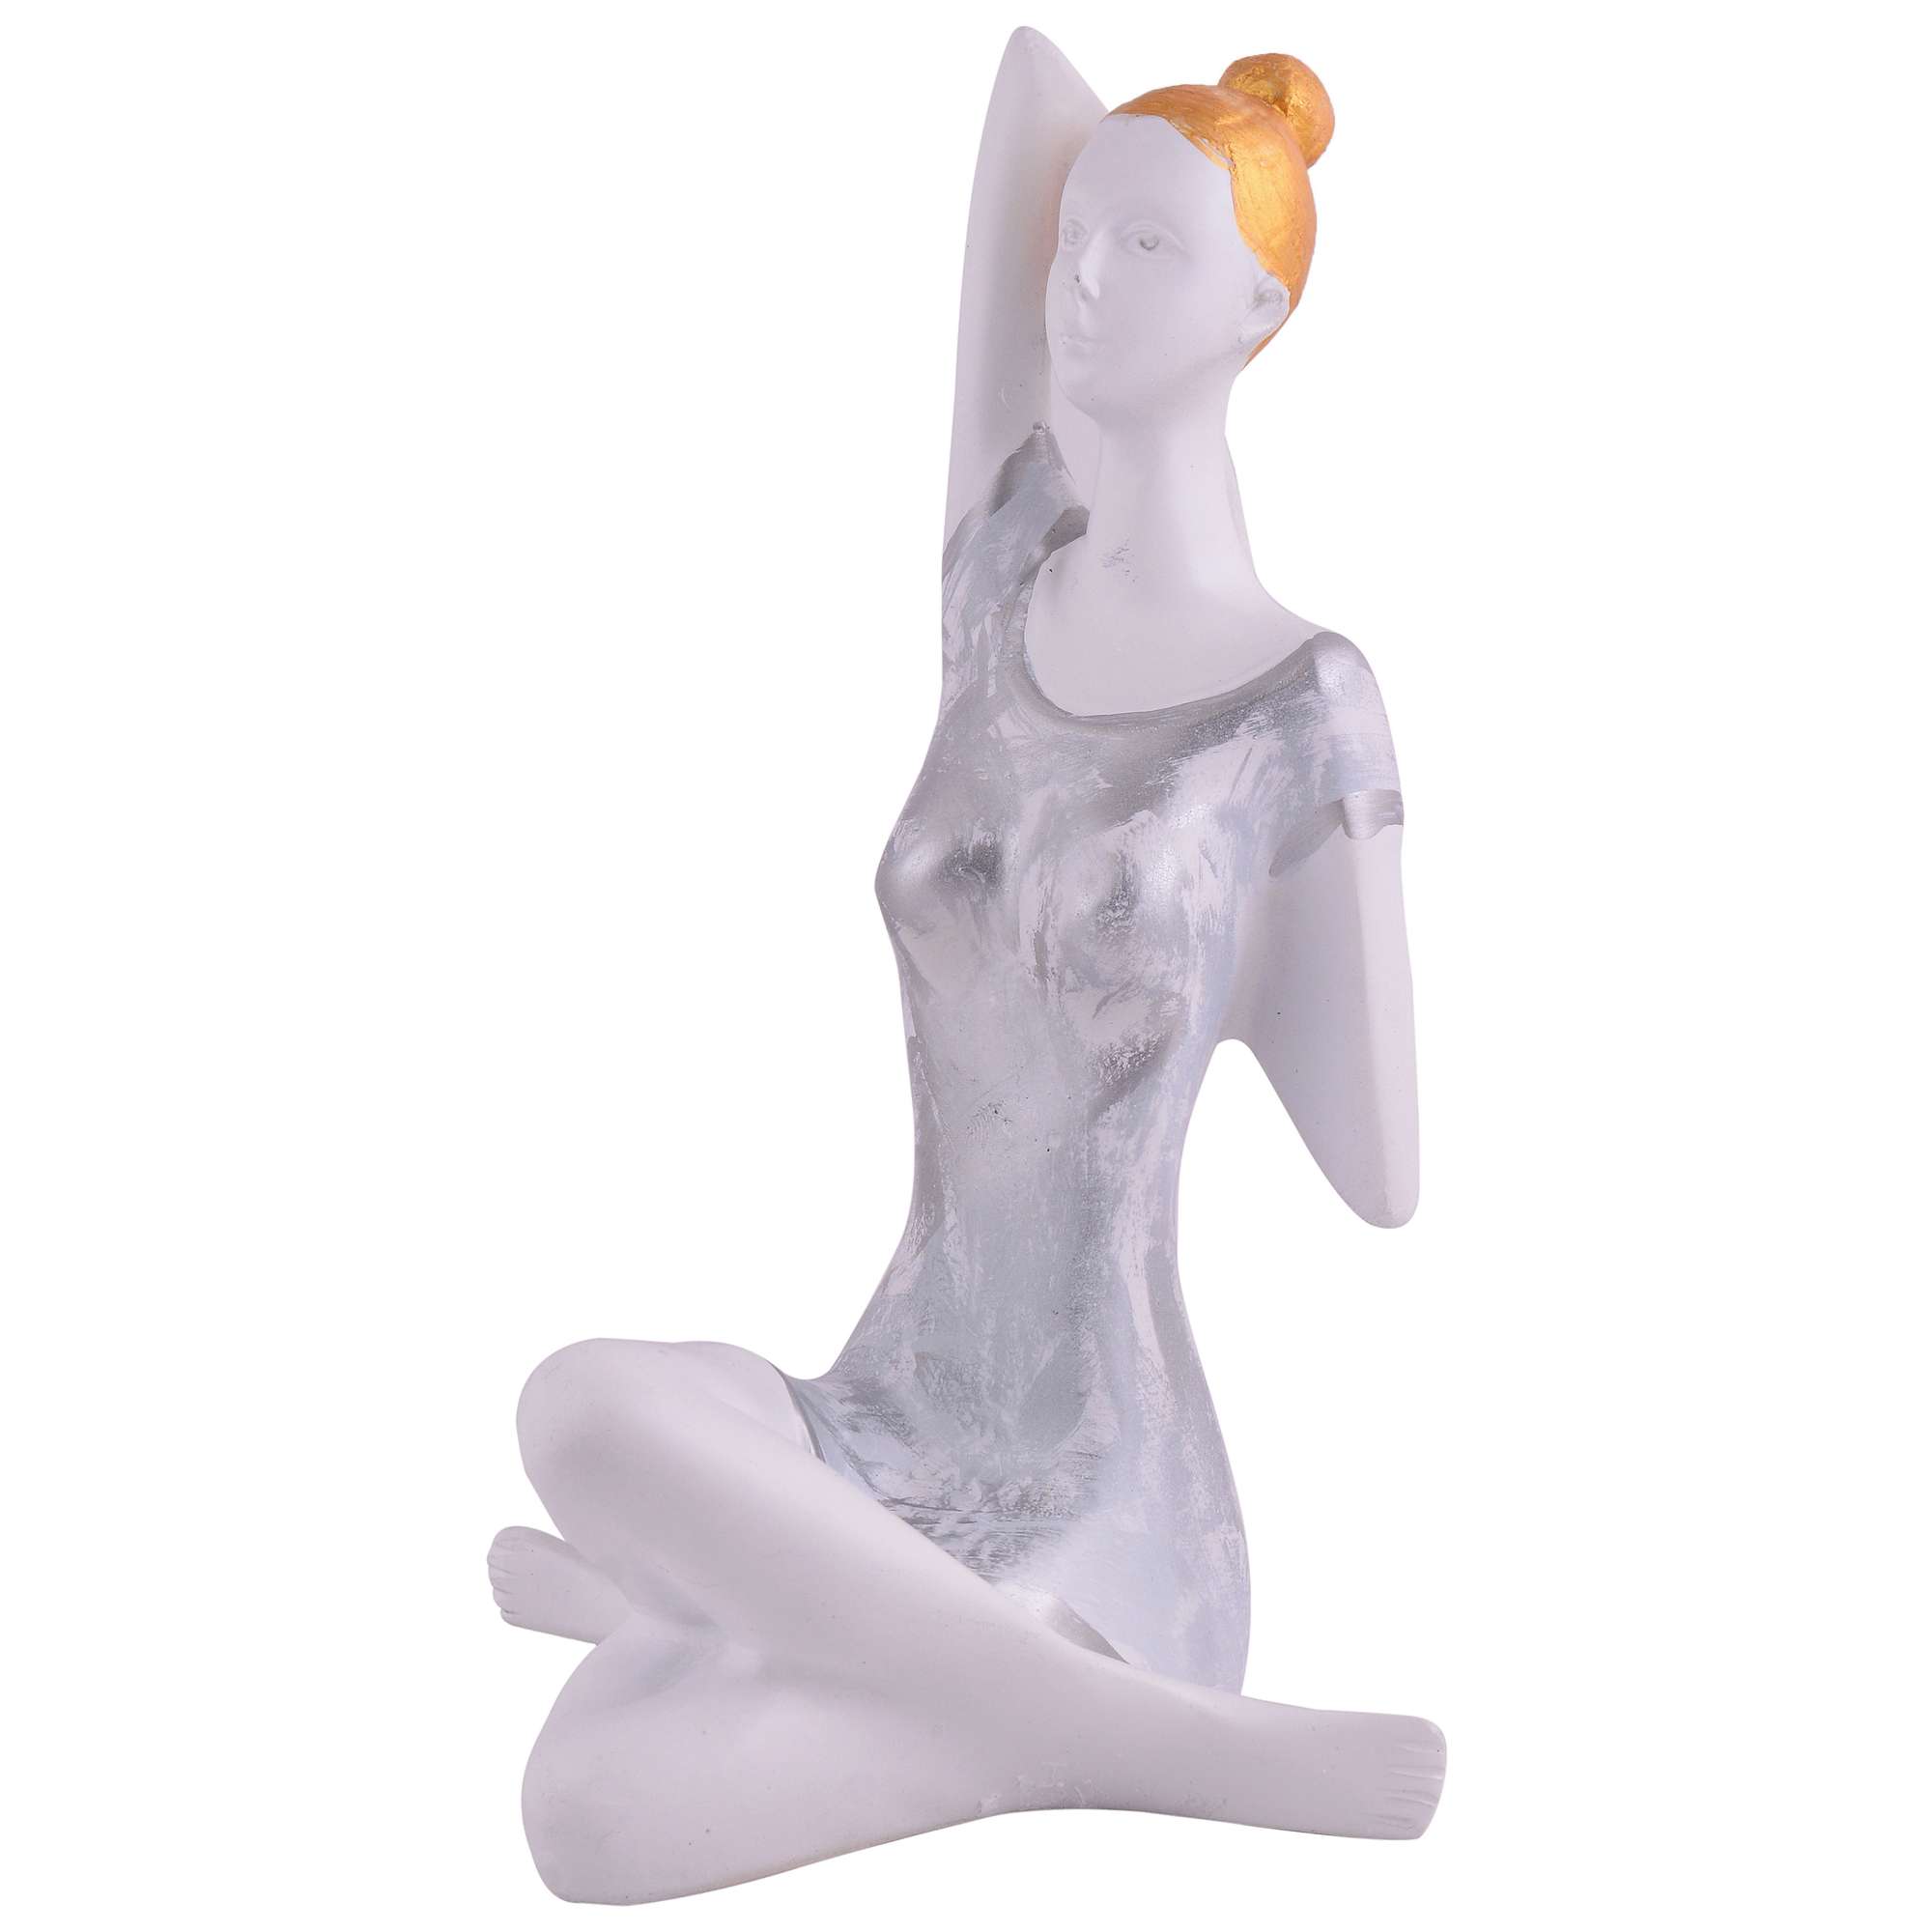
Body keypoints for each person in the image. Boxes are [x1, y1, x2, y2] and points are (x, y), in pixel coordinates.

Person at [489, 30, 1440, 1904]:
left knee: (592, 1809)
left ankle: (955, 1659)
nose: (1080, 279)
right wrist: (1119, 171)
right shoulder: (996, 582)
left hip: (1106, 1491)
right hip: (875, 1418)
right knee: (586, 1402)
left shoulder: (1299, 707)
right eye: (1073, 240)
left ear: (1260, 308)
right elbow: (1031, 107)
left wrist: (1362, 827)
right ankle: (1092, 1725)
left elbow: (1384, 1173)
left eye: (1150, 248)